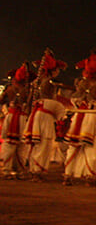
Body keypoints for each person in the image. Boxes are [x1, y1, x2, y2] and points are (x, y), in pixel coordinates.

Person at [63, 51, 96, 185]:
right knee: (91, 148)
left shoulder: (80, 83)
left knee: (74, 147)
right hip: (92, 117)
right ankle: (90, 176)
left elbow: (74, 99)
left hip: (79, 116)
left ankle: (68, 175)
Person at [24, 50, 68, 181]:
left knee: (37, 144)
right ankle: (37, 172)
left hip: (36, 114)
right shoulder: (49, 84)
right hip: (45, 115)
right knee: (44, 144)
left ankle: (34, 170)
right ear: (53, 70)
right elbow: (52, 103)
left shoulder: (36, 83)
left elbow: (30, 101)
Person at [0, 63, 34, 179]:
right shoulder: (28, 91)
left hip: (16, 116)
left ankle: (10, 170)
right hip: (19, 117)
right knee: (19, 145)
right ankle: (14, 170)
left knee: (16, 145)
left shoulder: (12, 90)